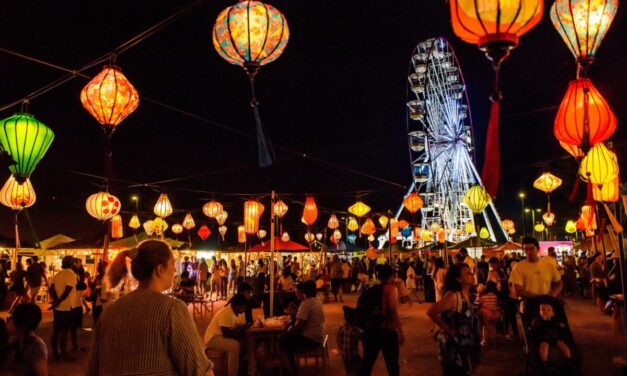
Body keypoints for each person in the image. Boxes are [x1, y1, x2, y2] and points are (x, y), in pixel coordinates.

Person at [87, 240, 213, 376]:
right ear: (159, 270)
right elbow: (198, 369)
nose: (175, 270)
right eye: (172, 264)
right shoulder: (171, 309)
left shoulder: (110, 312)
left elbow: (92, 368)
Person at [427, 264, 481, 375]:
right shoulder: (453, 296)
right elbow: (431, 311)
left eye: (471, 272)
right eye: (467, 273)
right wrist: (448, 329)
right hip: (454, 348)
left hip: (465, 346)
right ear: (458, 279)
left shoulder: (467, 295)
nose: (471, 275)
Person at [359, 265, 404, 376]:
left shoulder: (371, 290)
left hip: (371, 331)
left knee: (367, 364)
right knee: (392, 366)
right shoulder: (391, 289)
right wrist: (401, 333)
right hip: (387, 331)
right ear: (392, 276)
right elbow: (393, 312)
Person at [279, 280, 326, 376]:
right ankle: (291, 368)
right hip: (318, 336)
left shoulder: (306, 304)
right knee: (286, 340)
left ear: (304, 291)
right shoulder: (318, 302)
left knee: (282, 341)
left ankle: (290, 371)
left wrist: (287, 332)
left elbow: (299, 326)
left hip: (310, 339)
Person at [204, 294, 248, 376]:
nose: (244, 310)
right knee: (234, 346)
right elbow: (227, 334)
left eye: (245, 307)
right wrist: (243, 328)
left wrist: (244, 328)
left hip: (224, 336)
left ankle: (240, 365)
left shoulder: (241, 313)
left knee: (245, 341)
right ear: (235, 305)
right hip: (213, 338)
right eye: (242, 307)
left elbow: (241, 328)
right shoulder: (226, 313)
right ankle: (233, 373)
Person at [1, 303, 47, 376]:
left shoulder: (35, 347)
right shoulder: (14, 341)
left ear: (22, 325)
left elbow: (41, 374)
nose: (9, 320)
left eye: (12, 318)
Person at [49, 255, 77, 361]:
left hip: (58, 307)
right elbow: (68, 290)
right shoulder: (71, 274)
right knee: (64, 330)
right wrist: (59, 301)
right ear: (71, 263)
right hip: (67, 306)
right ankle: (63, 353)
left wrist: (56, 301)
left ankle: (55, 352)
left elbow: (51, 288)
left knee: (56, 329)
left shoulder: (58, 274)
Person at [529, 302, 572, 368]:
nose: (545, 311)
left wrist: (561, 325)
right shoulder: (538, 321)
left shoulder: (554, 321)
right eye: (543, 310)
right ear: (539, 312)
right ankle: (544, 362)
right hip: (544, 338)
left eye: (548, 310)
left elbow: (559, 327)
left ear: (552, 314)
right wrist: (535, 324)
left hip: (555, 337)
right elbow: (534, 328)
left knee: (562, 344)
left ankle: (568, 359)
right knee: (544, 346)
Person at [338, 306, 362, 376]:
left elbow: (339, 340)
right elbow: (362, 340)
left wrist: (342, 349)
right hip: (354, 355)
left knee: (348, 369)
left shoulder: (342, 328)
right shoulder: (355, 330)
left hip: (345, 355)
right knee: (356, 370)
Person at [478, 281, 500, 347]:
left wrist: (479, 295)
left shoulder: (484, 296)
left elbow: (479, 302)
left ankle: (485, 342)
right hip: (494, 313)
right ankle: (494, 342)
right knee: (493, 327)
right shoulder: (495, 296)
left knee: (486, 327)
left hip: (486, 313)